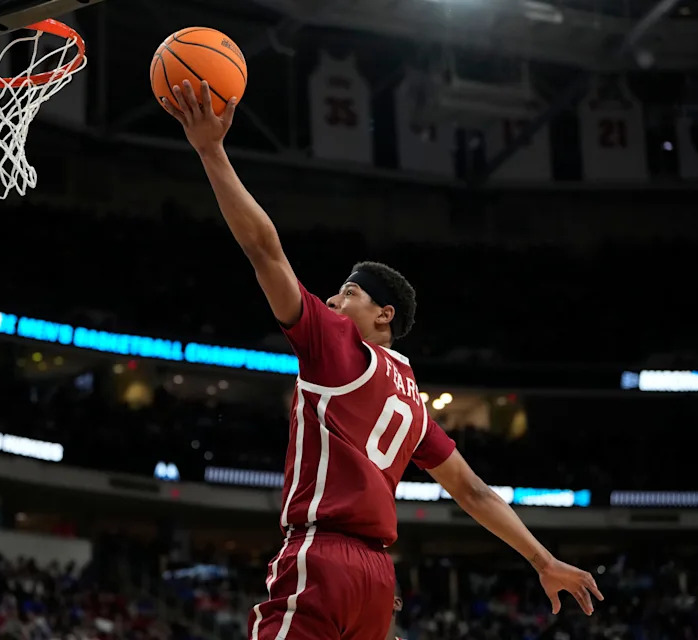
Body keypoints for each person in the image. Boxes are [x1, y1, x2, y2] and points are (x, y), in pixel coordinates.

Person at [162, 80, 604, 640]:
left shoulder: (338, 348)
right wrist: (543, 560)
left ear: (383, 315)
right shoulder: (413, 403)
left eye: (348, 293)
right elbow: (474, 492)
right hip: (377, 581)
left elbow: (264, 248)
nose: (331, 300)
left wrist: (211, 150)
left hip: (321, 557)